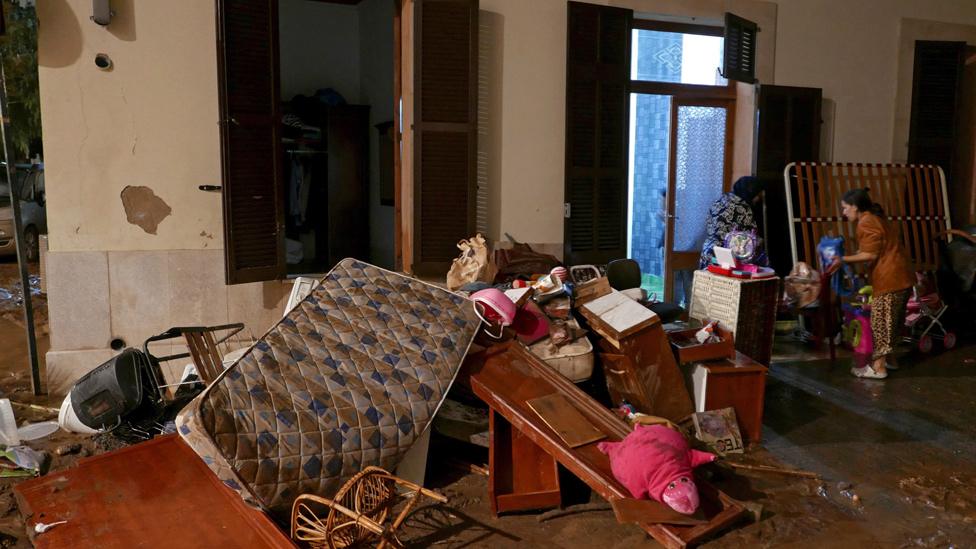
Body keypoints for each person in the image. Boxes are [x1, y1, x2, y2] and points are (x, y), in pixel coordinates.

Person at [833, 188, 914, 379]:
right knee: (892, 322)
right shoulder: (876, 219)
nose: (844, 212)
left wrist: (842, 259)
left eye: (845, 208)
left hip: (891, 278)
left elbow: (870, 254)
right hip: (901, 275)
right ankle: (890, 361)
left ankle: (879, 368)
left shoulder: (866, 222)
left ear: (855, 207)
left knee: (881, 322)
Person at [698, 176, 766, 269]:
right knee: (725, 283)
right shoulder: (743, 208)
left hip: (709, 252)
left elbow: (708, 224)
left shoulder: (720, 200)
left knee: (708, 282)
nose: (757, 199)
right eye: (757, 195)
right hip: (726, 257)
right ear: (751, 192)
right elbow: (748, 240)